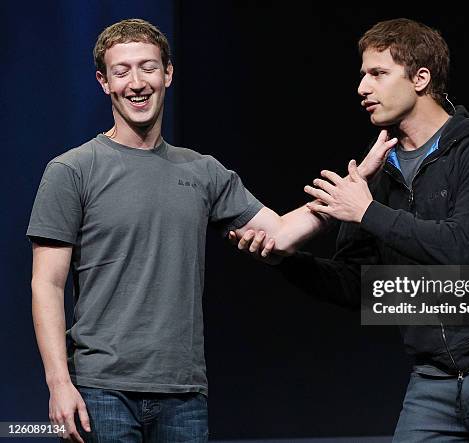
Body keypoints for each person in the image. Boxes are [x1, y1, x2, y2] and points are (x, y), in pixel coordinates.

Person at [27, 18, 395, 443]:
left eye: (147, 67)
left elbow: (277, 232)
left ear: (168, 73)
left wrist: (352, 189)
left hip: (184, 392)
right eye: (121, 70)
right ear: (103, 82)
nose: (136, 82)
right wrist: (59, 384)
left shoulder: (203, 171)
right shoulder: (72, 170)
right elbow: (47, 284)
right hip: (102, 389)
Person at [234, 18, 469, 442]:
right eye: (362, 75)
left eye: (377, 73)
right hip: (434, 379)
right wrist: (285, 261)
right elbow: (361, 289)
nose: (362, 88)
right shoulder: (377, 178)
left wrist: (367, 212)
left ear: (421, 78)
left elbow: (460, 251)